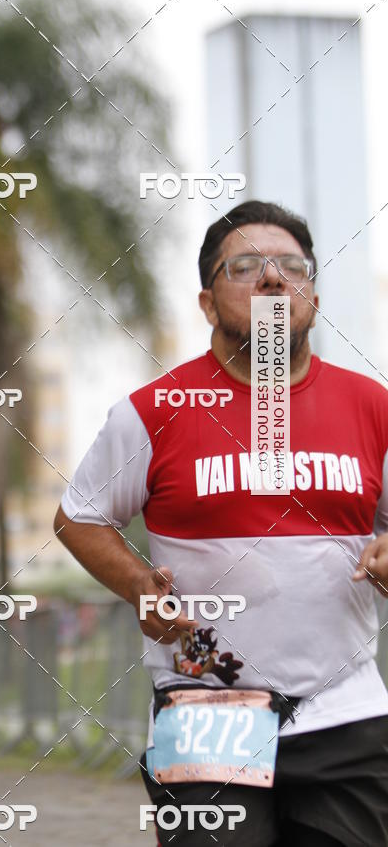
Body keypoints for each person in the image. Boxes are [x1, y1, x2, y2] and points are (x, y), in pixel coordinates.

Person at [54, 201, 388, 847]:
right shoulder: (153, 412)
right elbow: (80, 517)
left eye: (291, 266)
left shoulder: (373, 406)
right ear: (207, 303)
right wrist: (141, 586)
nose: (272, 279)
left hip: (346, 707)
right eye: (246, 267)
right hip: (207, 709)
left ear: (312, 295)